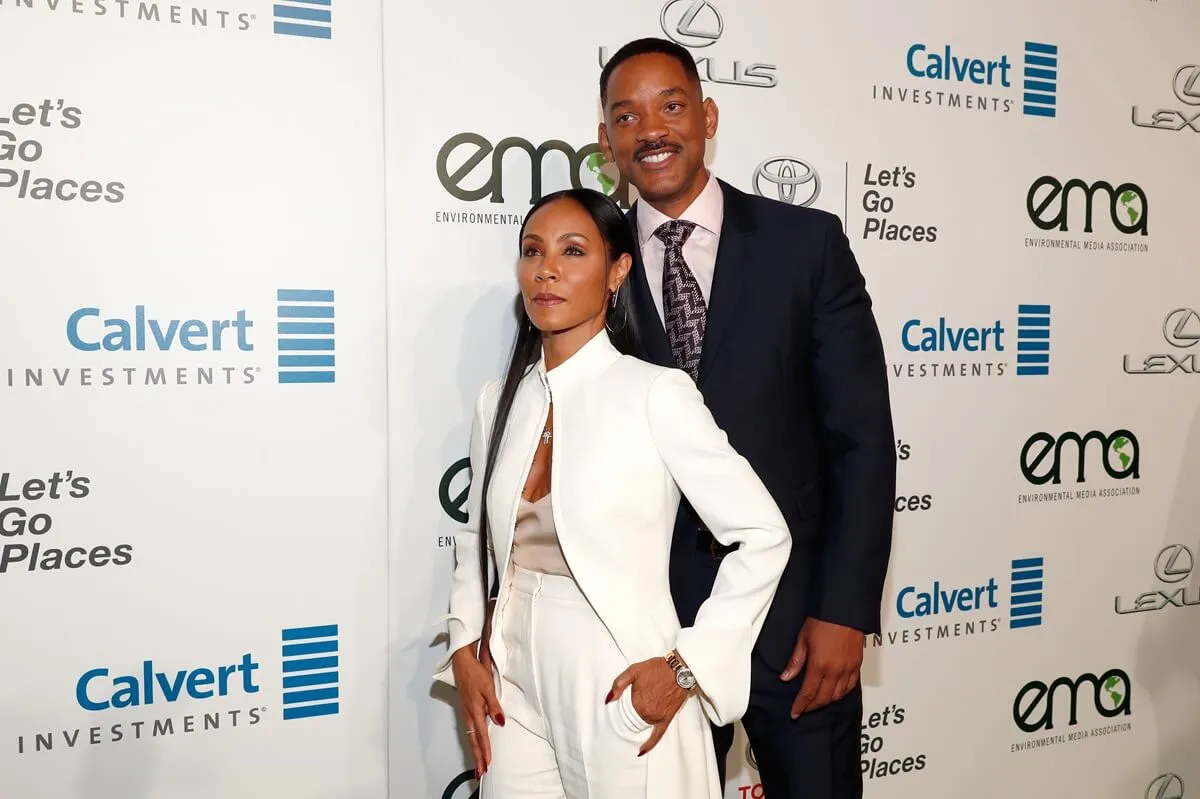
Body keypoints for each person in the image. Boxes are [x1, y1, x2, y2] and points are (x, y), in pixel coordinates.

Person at [595, 38, 897, 799]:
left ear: (708, 115)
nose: (651, 130)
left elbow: (860, 441)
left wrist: (843, 610)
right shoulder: (588, 263)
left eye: (671, 106)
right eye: (626, 116)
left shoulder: (807, 244)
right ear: (606, 143)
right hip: (650, 629)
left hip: (795, 625)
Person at [432, 187, 792, 799]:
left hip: (615, 673)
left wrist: (688, 668)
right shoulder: (498, 401)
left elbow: (764, 534)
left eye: (573, 251)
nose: (546, 269)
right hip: (511, 668)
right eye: (532, 251)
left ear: (617, 270)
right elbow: (475, 540)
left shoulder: (654, 393)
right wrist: (467, 644)